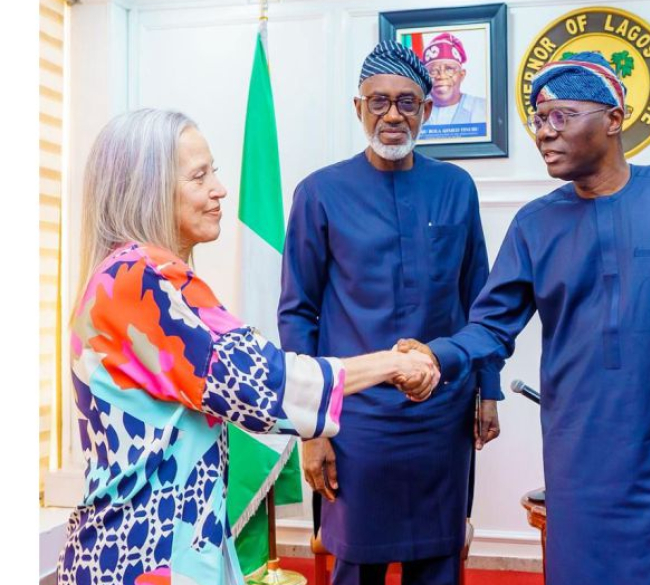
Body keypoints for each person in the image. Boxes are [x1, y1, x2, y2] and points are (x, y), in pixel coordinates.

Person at [397, 52, 650, 584]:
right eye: (538, 120)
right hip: (579, 462)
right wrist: (435, 355)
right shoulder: (535, 224)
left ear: (612, 118)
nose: (544, 133)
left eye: (561, 116)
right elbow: (491, 326)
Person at [57, 109, 439, 585]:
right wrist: (394, 362)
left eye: (213, 170)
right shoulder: (140, 279)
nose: (219, 189)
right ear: (148, 188)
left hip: (155, 546)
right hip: (145, 555)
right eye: (200, 176)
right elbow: (266, 386)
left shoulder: (122, 274)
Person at [277, 40, 501, 585]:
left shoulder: (456, 187)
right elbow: (297, 313)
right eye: (379, 102)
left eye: (407, 102)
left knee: (439, 559)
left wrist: (488, 390)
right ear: (359, 109)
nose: (393, 115)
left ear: (427, 111)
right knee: (356, 563)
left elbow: (480, 299)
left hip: (442, 415)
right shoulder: (319, 193)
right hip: (354, 420)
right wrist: (311, 429)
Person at [421, 32, 487, 127]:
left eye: (449, 69)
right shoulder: (415, 111)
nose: (441, 75)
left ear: (462, 74)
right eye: (433, 71)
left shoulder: (483, 108)